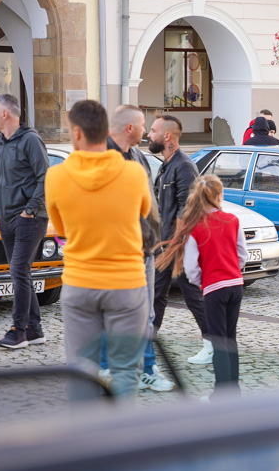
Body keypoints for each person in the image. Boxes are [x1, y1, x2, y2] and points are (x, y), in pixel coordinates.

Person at [45, 100, 151, 396]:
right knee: (126, 371)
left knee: (81, 370)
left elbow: (62, 230)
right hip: (127, 284)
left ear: (76, 132)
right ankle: (121, 436)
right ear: (106, 131)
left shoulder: (56, 177)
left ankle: (86, 436)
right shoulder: (134, 174)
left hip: (80, 283)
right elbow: (141, 213)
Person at [98, 105, 174, 392]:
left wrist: (155, 238)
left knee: (146, 313)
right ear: (130, 128)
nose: (146, 131)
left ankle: (147, 369)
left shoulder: (139, 157)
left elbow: (149, 203)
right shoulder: (101, 159)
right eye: (143, 126)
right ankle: (106, 369)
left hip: (144, 250)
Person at [156, 175, 247, 400]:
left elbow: (191, 267)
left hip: (214, 288)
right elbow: (242, 255)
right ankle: (233, 391)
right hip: (235, 285)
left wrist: (203, 283)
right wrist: (232, 270)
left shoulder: (195, 228)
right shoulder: (233, 220)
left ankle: (221, 395)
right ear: (219, 196)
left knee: (218, 341)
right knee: (230, 339)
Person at [148, 114, 213, 365]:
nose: (149, 135)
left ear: (167, 136)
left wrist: (175, 245)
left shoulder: (183, 166)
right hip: (166, 244)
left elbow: (189, 209)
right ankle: (147, 345)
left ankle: (214, 344)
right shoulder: (166, 164)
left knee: (192, 294)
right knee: (156, 294)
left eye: (153, 130)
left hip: (180, 245)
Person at [0, 93, 50, 349]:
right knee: (20, 272)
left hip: (29, 219)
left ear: (6, 114)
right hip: (5, 218)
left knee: (18, 271)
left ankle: (19, 331)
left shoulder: (31, 141)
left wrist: (30, 210)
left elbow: (45, 178)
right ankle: (34, 330)